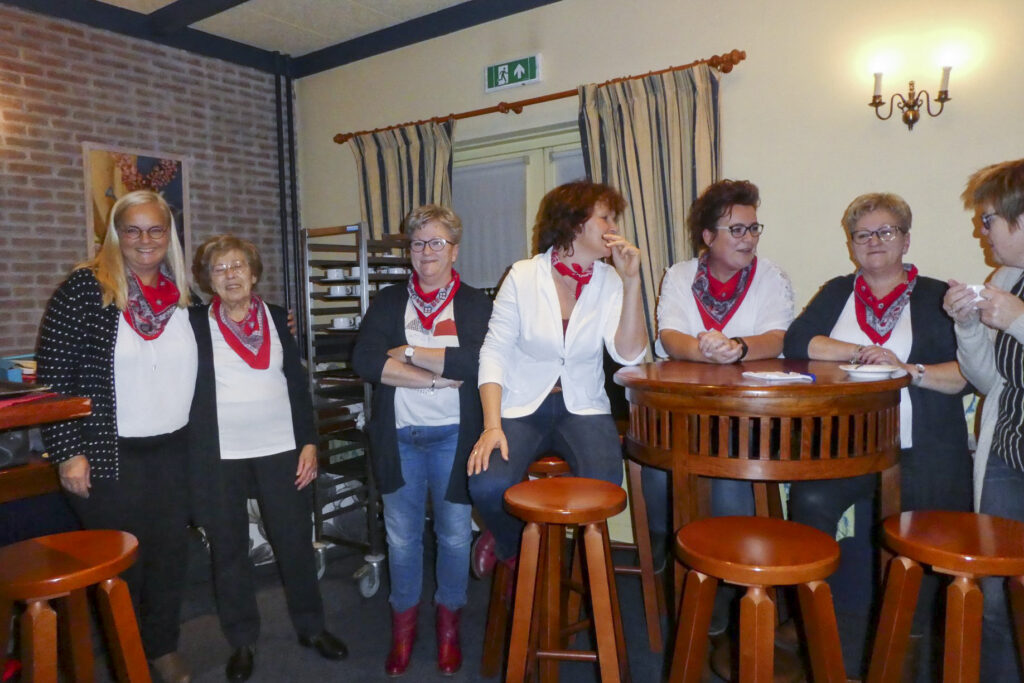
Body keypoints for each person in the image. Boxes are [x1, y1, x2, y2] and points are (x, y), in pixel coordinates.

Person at [786, 192, 971, 679]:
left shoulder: (936, 296)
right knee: (809, 502)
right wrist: (862, 351)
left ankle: (911, 635)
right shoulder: (837, 291)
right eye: (862, 234)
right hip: (848, 444)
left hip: (926, 446)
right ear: (850, 244)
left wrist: (907, 369)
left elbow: (966, 374)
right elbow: (798, 340)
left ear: (906, 239)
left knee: (923, 527)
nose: (873, 241)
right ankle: (808, 617)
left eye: (885, 231)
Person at [37, 189, 197, 683]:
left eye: (156, 229)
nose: (145, 240)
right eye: (133, 230)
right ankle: (124, 654)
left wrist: (276, 318)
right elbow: (55, 379)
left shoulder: (184, 297)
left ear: (169, 235)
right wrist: (68, 452)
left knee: (170, 557)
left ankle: (162, 647)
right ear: (116, 234)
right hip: (108, 454)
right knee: (124, 564)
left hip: (175, 452)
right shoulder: (86, 290)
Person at [645, 179, 796, 679]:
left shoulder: (770, 276)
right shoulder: (678, 274)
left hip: (745, 417)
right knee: (659, 488)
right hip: (683, 413)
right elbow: (669, 335)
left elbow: (778, 336)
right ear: (708, 236)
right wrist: (702, 350)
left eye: (753, 228)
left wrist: (738, 348)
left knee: (731, 501)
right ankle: (675, 574)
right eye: (737, 229)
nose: (749, 238)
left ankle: (726, 610)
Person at [187, 235, 347, 682]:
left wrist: (309, 441)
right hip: (220, 454)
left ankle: (312, 627)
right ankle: (242, 640)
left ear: (254, 273)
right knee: (229, 551)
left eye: (238, 265)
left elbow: (296, 383)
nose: (230, 275)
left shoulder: (277, 318)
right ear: (208, 280)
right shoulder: (193, 323)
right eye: (219, 268)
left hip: (281, 449)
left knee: (294, 543)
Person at [467, 180, 647, 571]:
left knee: (605, 484)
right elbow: (494, 351)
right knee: (487, 484)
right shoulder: (522, 276)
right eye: (605, 217)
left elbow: (629, 354)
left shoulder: (608, 281)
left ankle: (560, 570)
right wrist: (492, 426)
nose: (614, 227)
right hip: (522, 406)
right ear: (574, 223)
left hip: (583, 407)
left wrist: (632, 281)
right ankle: (513, 549)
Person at [352, 205, 492, 676]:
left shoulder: (474, 303)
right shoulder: (391, 301)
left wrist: (409, 352)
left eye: (436, 242)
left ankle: (449, 627)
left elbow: (476, 364)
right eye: (417, 243)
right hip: (399, 437)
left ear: (454, 250)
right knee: (401, 538)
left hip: (456, 436)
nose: (426, 251)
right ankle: (403, 630)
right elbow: (366, 360)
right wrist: (435, 376)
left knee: (454, 536)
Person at [944, 158, 1024, 682]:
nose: (982, 230)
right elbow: (989, 379)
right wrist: (968, 326)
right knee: (995, 599)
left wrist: (1019, 321)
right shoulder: (1008, 279)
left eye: (990, 218)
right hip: (1006, 455)